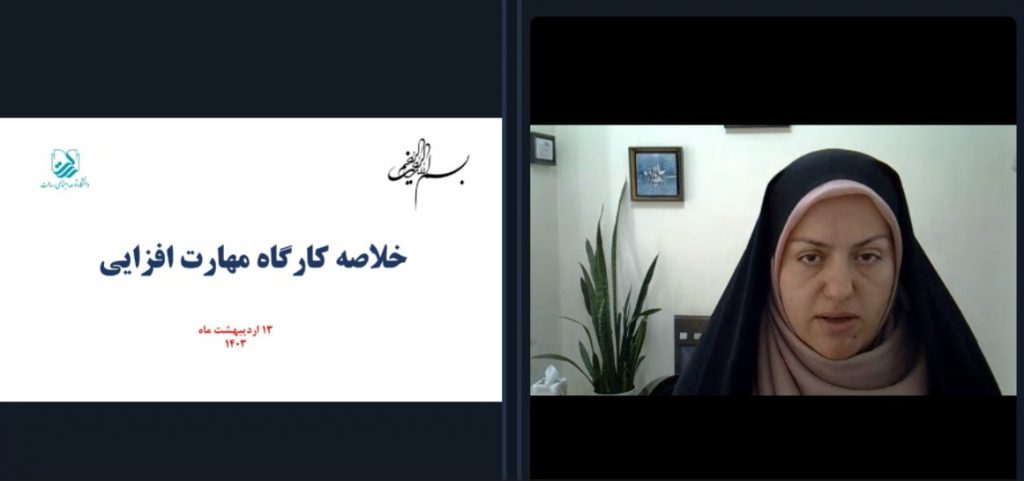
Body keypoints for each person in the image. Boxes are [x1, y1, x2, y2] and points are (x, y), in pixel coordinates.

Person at [673, 149, 1001, 395]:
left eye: (868, 257)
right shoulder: (722, 380)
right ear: (772, 269)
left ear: (899, 266)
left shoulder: (954, 377)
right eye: (811, 257)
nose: (840, 289)